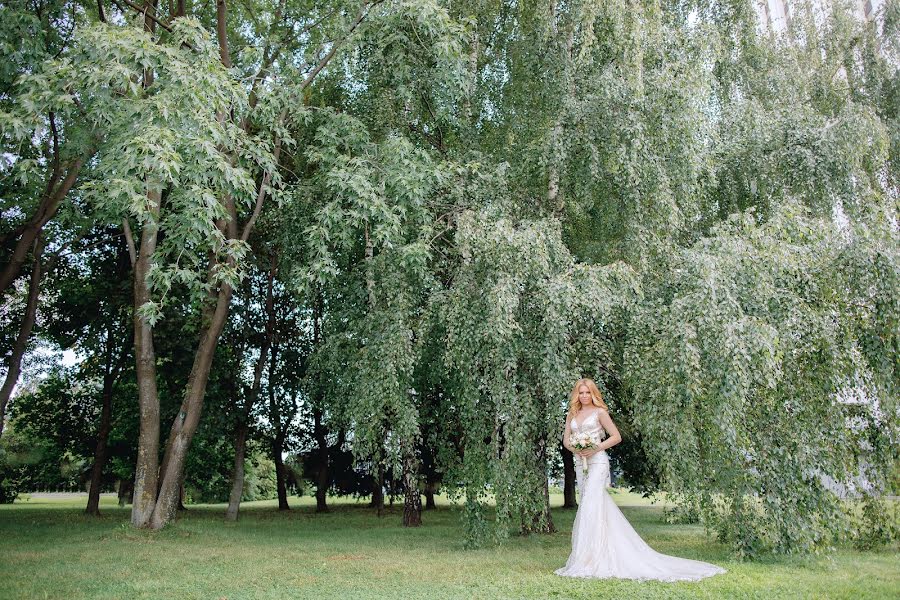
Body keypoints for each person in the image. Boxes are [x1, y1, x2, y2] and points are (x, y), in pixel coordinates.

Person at [554, 378, 727, 582]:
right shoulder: (572, 414)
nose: (584, 396)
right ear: (577, 394)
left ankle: (592, 560)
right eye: (581, 393)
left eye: (587, 393)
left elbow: (616, 436)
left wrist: (594, 448)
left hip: (598, 463)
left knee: (591, 505)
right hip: (580, 463)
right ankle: (588, 556)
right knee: (590, 506)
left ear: (593, 394)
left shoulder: (600, 412)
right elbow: (566, 440)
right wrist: (578, 450)